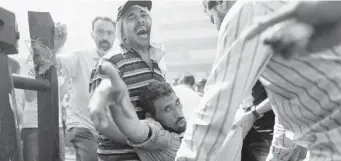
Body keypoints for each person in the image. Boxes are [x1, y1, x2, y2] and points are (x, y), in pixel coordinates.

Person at [176, 1, 341, 161]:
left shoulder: (247, 10)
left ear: (221, 2)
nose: (218, 28)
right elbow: (293, 97)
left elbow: (217, 105)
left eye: (212, 19)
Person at [88, 1, 167, 160]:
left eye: (144, 15)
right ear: (122, 32)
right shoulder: (111, 63)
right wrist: (141, 141)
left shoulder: (158, 66)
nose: (140, 20)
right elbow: (100, 119)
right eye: (131, 17)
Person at [33, 16, 116, 161]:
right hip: (82, 124)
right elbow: (45, 64)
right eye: (100, 32)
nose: (105, 37)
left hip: (109, 130)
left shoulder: (120, 61)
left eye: (109, 33)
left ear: (115, 35)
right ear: (92, 34)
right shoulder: (79, 56)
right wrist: (57, 45)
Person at [89, 69, 186, 161]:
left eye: (177, 103)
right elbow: (136, 130)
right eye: (167, 109)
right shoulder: (161, 136)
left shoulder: (181, 128)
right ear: (151, 117)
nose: (178, 113)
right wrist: (115, 102)